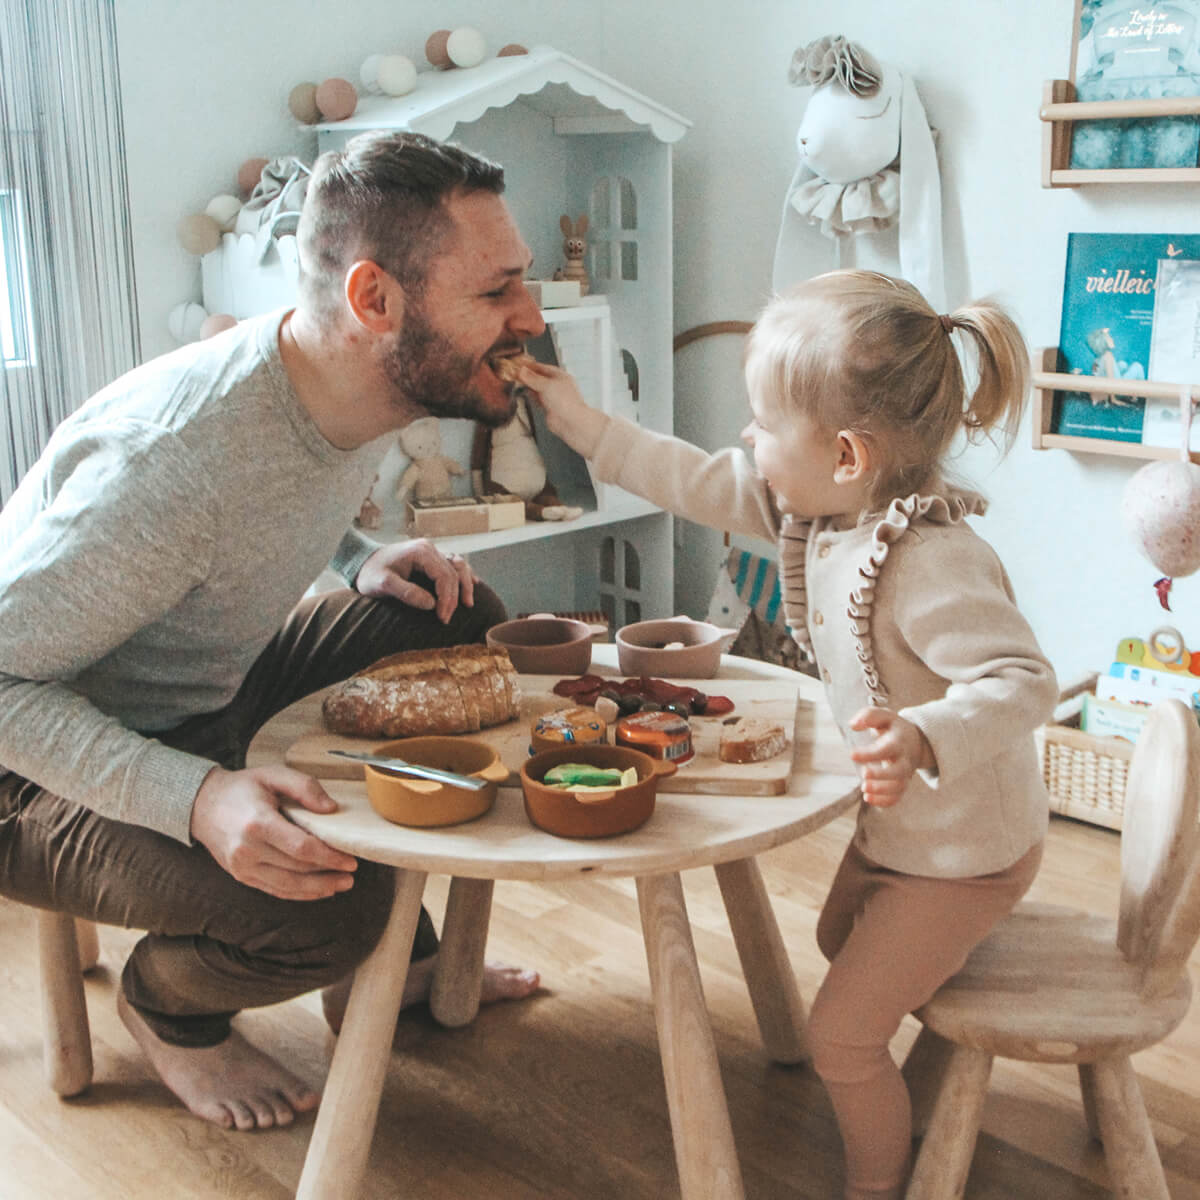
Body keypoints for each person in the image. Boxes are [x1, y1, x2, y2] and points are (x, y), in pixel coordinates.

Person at [0, 131, 548, 1133]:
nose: (532, 318)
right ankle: (166, 1008)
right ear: (374, 301)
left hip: (208, 690)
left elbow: (276, 486)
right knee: (329, 914)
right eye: (498, 291)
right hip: (35, 768)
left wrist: (358, 555)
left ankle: (400, 965)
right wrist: (196, 799)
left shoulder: (342, 372)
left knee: (461, 622)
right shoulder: (170, 467)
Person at [516, 268, 1058, 1200]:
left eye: (764, 425)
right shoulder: (816, 510)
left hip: (967, 852)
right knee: (836, 935)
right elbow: (690, 476)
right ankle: (923, 1060)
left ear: (847, 455)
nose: (746, 440)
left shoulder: (933, 563)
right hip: (910, 837)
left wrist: (925, 734)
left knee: (839, 1035)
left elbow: (1023, 681)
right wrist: (579, 422)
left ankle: (877, 1186)